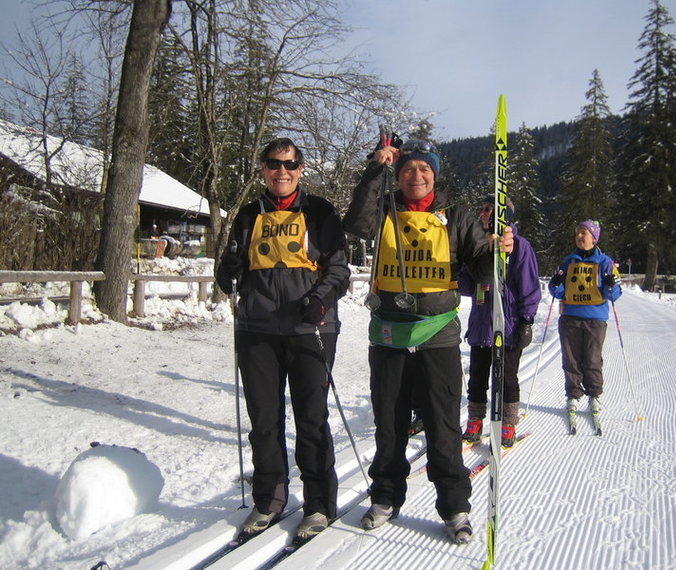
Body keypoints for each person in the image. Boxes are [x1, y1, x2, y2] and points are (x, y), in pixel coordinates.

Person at [342, 137, 514, 544]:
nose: (415, 176)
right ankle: (385, 495)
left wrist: (497, 251)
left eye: (424, 170)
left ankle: (454, 506)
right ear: (398, 175)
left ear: (434, 174)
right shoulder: (385, 207)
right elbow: (355, 224)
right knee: (390, 422)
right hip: (388, 331)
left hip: (437, 333)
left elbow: (480, 269)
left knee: (441, 425)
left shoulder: (456, 215)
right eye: (407, 170)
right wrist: (375, 171)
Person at [216, 137, 350, 540]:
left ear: (301, 168)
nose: (282, 171)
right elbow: (230, 266)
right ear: (263, 169)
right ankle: (269, 499)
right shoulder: (247, 213)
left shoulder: (320, 211)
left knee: (311, 419)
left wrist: (319, 300)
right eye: (274, 164)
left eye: (290, 164)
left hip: (310, 328)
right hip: (258, 328)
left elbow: (339, 270)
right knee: (263, 420)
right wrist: (228, 271)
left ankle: (319, 504)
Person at [459, 195, 541, 447]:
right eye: (481, 209)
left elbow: (529, 285)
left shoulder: (518, 245)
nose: (482, 214)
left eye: (488, 210)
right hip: (482, 324)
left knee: (507, 378)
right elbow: (465, 285)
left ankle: (507, 424)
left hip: (508, 325)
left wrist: (526, 320)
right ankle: (474, 421)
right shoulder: (478, 243)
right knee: (477, 377)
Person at [547, 219, 622, 415]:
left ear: (594, 238)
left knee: (592, 359)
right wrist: (555, 284)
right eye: (578, 233)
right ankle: (573, 395)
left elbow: (614, 295)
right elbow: (558, 292)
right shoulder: (569, 261)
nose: (579, 236)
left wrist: (610, 284)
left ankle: (594, 395)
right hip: (570, 316)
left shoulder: (605, 262)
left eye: (584, 233)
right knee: (571, 359)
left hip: (595, 319)